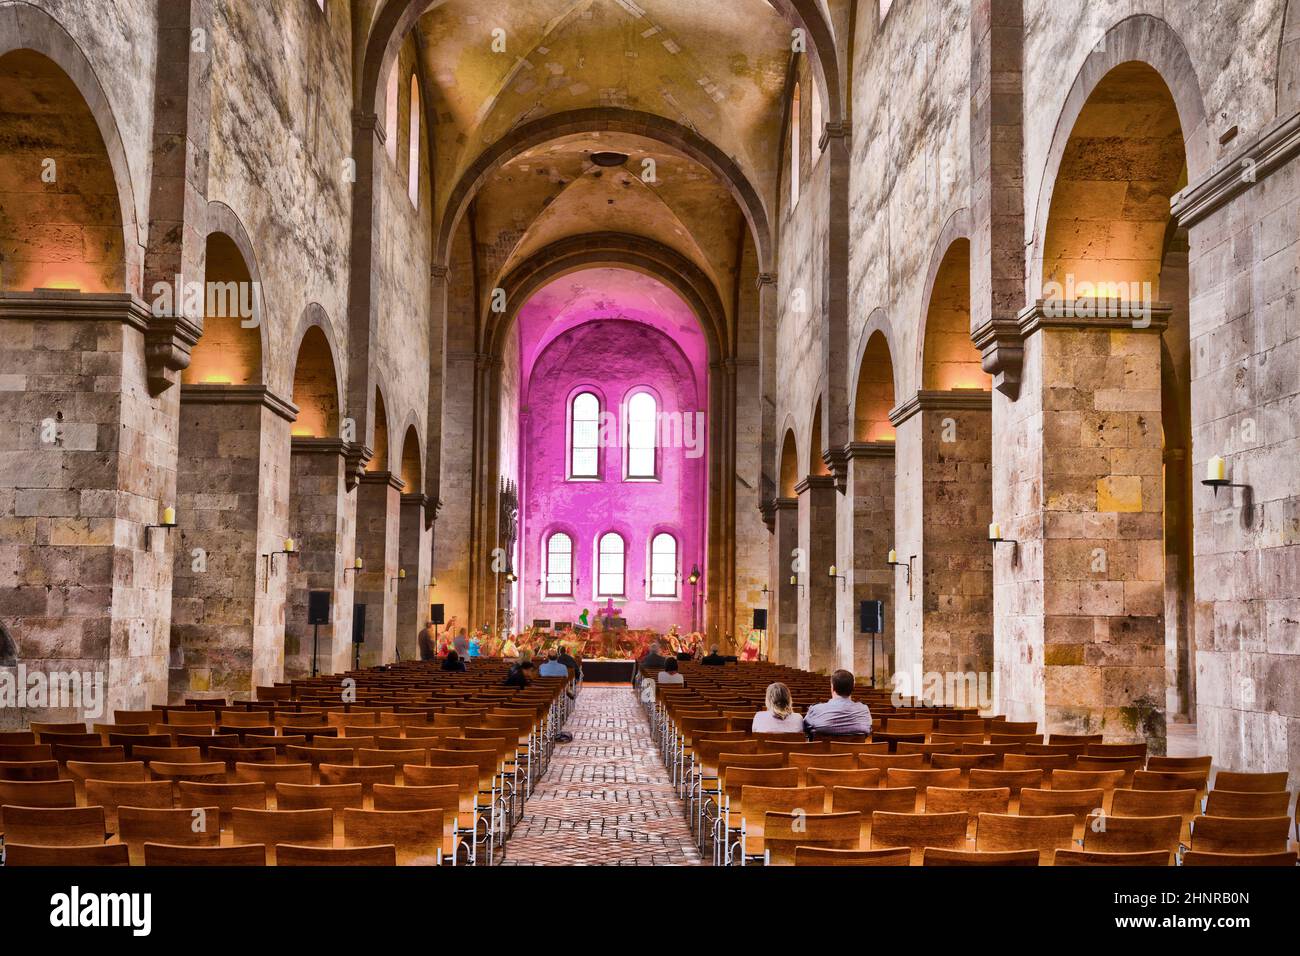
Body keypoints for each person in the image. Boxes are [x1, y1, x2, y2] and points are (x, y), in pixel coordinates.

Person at [803, 669, 873, 737]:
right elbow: (868, 730)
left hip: (823, 748)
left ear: (832, 687)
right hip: (856, 749)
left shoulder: (816, 709)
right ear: (853, 688)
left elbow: (805, 728)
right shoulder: (864, 710)